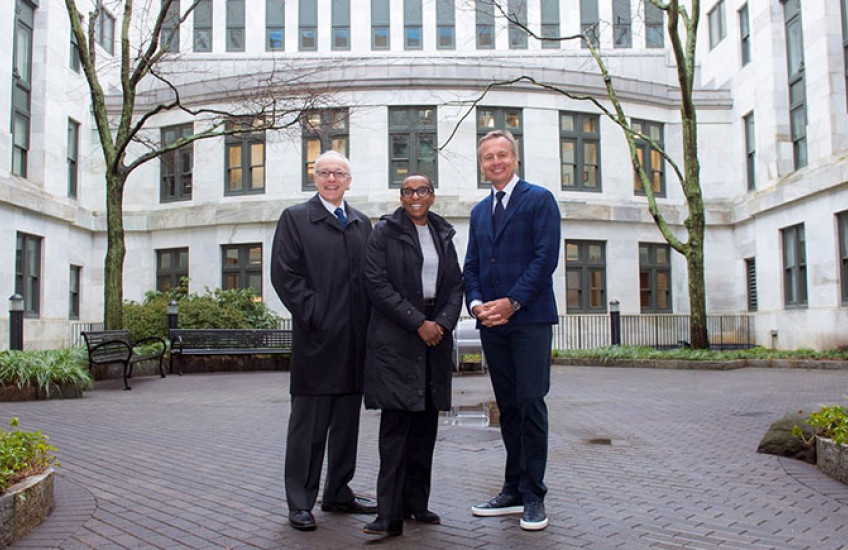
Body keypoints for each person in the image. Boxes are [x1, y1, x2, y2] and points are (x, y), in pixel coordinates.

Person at [270, 150, 377, 532]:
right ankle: (300, 501)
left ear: (350, 180)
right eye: (324, 173)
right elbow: (285, 276)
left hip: (355, 344)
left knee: (346, 426)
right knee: (309, 429)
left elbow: (373, 279)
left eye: (339, 173)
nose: (332, 179)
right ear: (313, 178)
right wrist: (317, 315)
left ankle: (338, 492)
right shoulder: (296, 219)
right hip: (317, 343)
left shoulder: (363, 224)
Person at [463, 130, 561, 531]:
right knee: (508, 407)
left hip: (530, 320)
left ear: (515, 159)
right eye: (488, 157)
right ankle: (512, 488)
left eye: (502, 155)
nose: (496, 162)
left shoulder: (539, 200)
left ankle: (534, 495)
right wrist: (476, 303)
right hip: (492, 325)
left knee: (531, 402)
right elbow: (471, 266)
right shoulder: (478, 212)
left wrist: (511, 302)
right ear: (482, 164)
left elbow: (544, 260)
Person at [361, 175, 463, 537]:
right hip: (397, 338)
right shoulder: (384, 233)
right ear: (401, 197)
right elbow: (375, 284)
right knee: (396, 429)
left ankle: (415, 505)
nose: (415, 196)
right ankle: (388, 514)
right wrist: (418, 322)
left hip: (434, 338)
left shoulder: (443, 234)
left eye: (421, 191)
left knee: (425, 427)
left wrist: (443, 323)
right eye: (407, 191)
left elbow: (455, 286)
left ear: (432, 196)